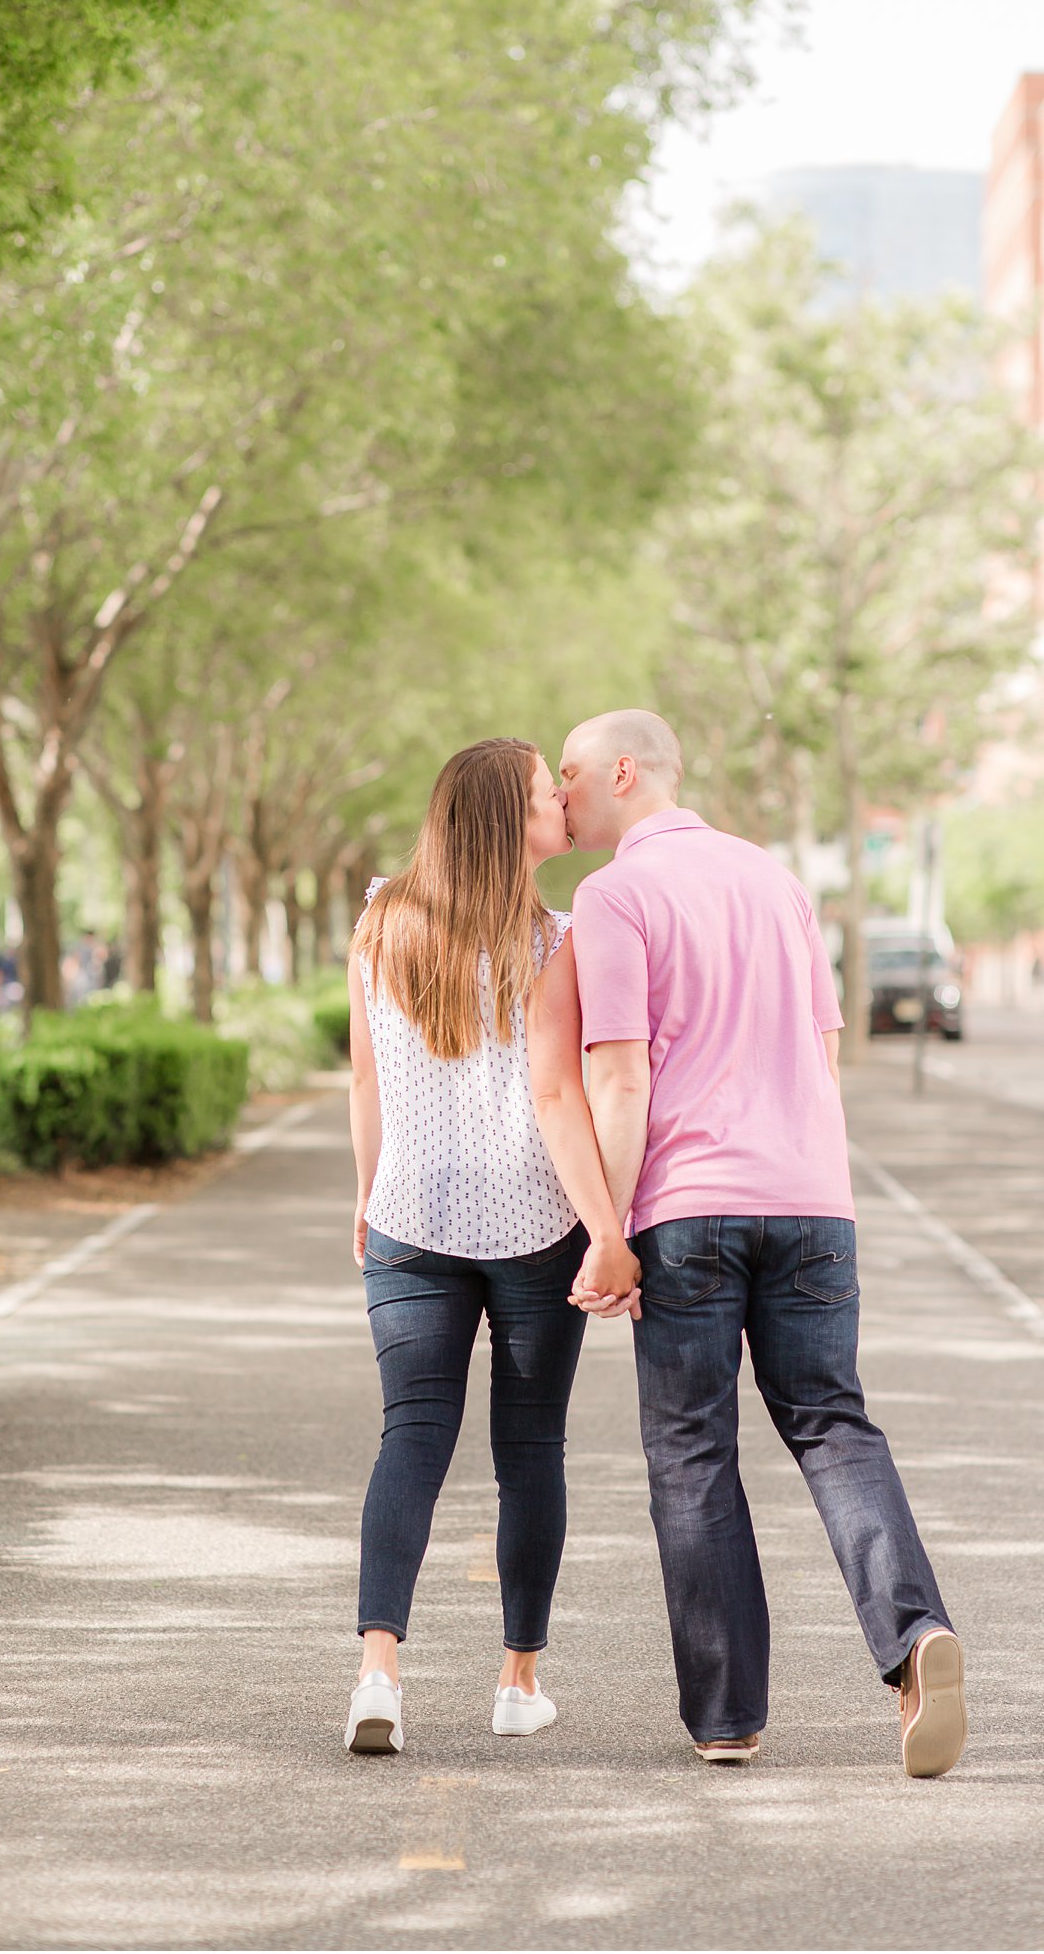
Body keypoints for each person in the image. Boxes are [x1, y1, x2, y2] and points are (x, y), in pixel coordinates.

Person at [560, 709, 966, 1777]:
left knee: (691, 1451)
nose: (559, 798)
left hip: (687, 1208)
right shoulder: (777, 882)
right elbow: (825, 1051)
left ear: (623, 769)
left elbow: (617, 1075)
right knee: (833, 1426)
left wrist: (606, 1226)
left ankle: (727, 1715)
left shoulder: (611, 895)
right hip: (810, 1202)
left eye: (567, 776)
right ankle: (915, 1637)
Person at [342, 737, 641, 1757]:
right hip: (531, 1224)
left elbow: (366, 1081)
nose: (563, 799)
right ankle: (517, 1683)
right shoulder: (553, 943)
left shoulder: (380, 921)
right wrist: (608, 1230)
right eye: (541, 792)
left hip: (407, 1218)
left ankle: (377, 1669)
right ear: (506, 823)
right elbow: (558, 1095)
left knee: (410, 1438)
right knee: (530, 1450)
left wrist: (364, 1192)